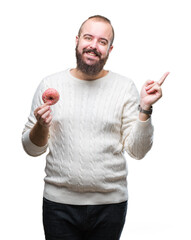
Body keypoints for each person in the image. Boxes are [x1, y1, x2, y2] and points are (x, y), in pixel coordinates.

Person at [22, 15, 169, 240]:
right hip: (58, 204)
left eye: (102, 41)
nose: (93, 45)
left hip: (110, 205)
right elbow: (31, 149)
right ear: (77, 40)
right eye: (88, 37)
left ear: (110, 49)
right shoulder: (50, 84)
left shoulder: (124, 87)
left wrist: (145, 108)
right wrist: (41, 125)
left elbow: (137, 151)